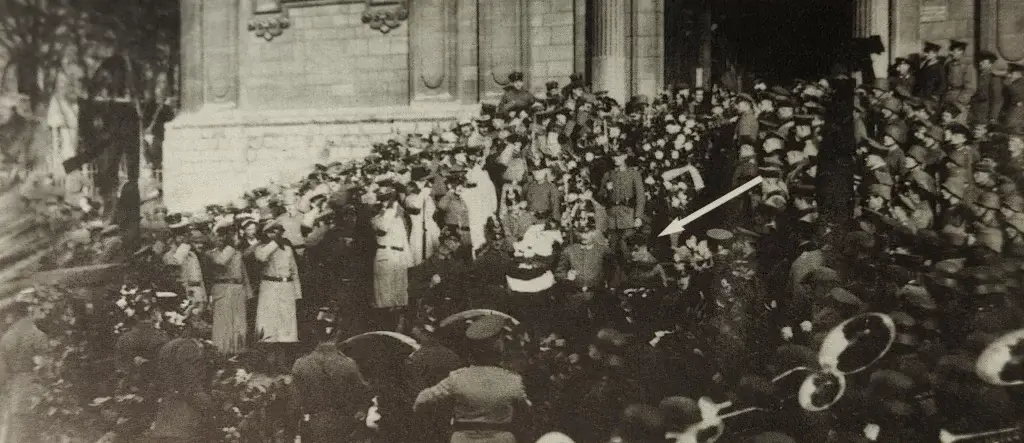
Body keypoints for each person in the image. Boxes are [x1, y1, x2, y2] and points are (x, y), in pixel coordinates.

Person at [414, 315, 530, 443]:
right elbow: (526, 412)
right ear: (499, 347)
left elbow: (422, 400)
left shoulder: (457, 378)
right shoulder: (512, 380)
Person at [290, 316, 371, 443]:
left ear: (315, 333)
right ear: (338, 333)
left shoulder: (301, 364)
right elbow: (363, 395)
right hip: (343, 426)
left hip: (313, 426)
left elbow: (294, 405)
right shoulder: (348, 364)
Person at [149, 323, 215, 443]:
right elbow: (190, 381)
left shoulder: (169, 345)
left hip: (166, 407)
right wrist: (209, 404)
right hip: (183, 413)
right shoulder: (189, 347)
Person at [0, 301, 50, 443]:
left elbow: (2, 373)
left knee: (19, 434)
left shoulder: (6, 338)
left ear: (13, 316)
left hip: (15, 392)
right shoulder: (38, 335)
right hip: (37, 391)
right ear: (28, 313)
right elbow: (46, 369)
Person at [207, 221, 254, 355]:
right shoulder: (212, 254)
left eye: (227, 235)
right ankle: (222, 353)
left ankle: (238, 353)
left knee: (239, 324)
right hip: (222, 288)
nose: (222, 239)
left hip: (238, 289)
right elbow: (221, 261)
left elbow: (243, 273)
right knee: (223, 324)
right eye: (221, 236)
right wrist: (231, 247)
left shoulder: (237, 253)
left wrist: (248, 292)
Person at [253, 220, 302, 344]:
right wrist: (274, 242)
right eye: (272, 232)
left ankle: (286, 345)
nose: (277, 234)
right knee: (269, 320)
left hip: (287, 286)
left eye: (279, 231)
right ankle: (269, 345)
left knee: (286, 321)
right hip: (270, 287)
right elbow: (262, 257)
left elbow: (294, 271)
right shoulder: (261, 248)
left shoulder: (287, 248)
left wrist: (297, 293)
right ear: (266, 234)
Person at [971, 50, 1004, 125]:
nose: (980, 63)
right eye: (980, 61)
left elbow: (998, 100)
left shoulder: (994, 78)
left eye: (983, 62)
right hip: (976, 112)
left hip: (985, 114)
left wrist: (993, 117)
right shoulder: (981, 76)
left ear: (990, 64)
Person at [944, 40, 977, 106]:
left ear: (961, 51)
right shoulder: (949, 64)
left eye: (954, 51)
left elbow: (970, 88)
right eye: (951, 51)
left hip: (959, 99)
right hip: (948, 97)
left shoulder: (967, 66)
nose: (951, 53)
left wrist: (960, 101)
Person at [1003, 62, 1024, 132]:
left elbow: (1015, 93)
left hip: (1017, 113)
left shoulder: (1020, 82)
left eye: (1012, 73)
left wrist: (1008, 83)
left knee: (1013, 131)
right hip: (1014, 111)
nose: (1009, 75)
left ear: (1019, 73)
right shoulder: (1015, 82)